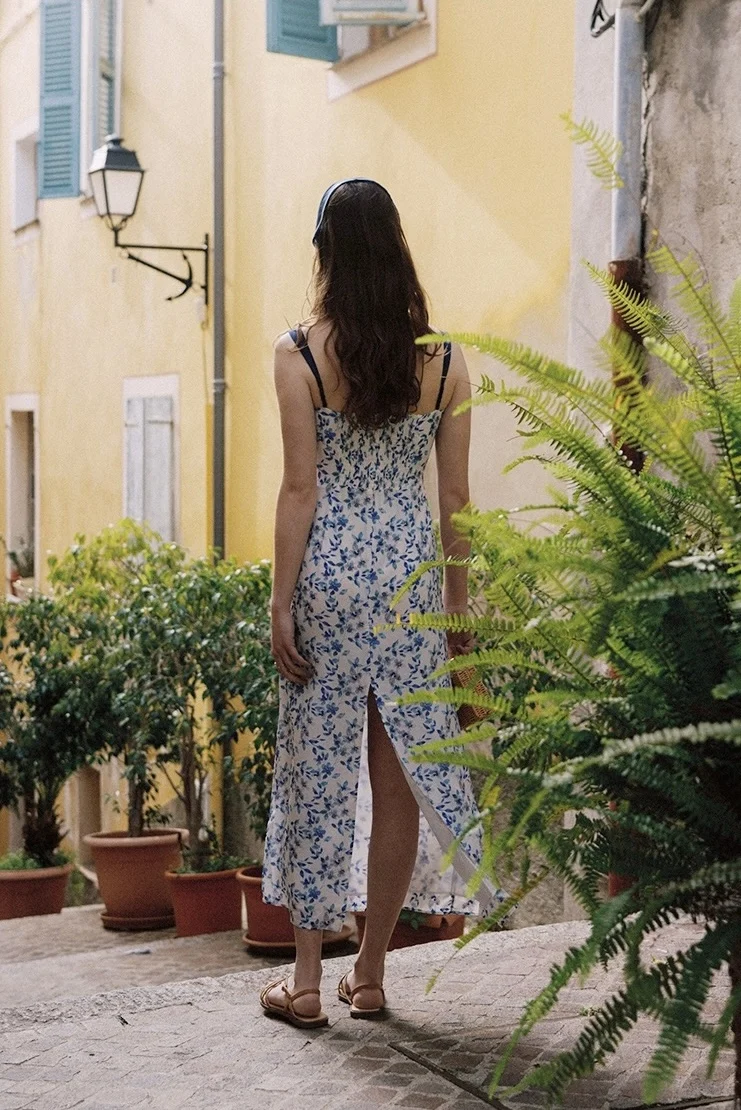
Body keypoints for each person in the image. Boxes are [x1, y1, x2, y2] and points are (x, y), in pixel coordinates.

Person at [259, 179, 502, 1029]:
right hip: (407, 592)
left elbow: (299, 488)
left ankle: (305, 984)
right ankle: (370, 975)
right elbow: (457, 503)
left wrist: (280, 605)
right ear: (398, 247)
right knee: (396, 785)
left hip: (327, 585)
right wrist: (457, 621)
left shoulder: (297, 353)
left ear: (324, 255)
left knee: (315, 775)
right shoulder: (443, 362)